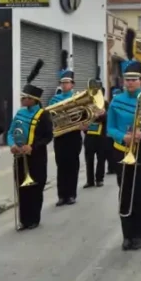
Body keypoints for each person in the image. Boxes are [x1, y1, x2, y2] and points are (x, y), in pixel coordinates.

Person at [106, 46, 141, 251]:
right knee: (124, 193)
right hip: (121, 152)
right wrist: (123, 136)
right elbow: (110, 128)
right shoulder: (116, 101)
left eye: (134, 79)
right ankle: (127, 235)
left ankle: (140, 234)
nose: (130, 83)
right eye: (127, 79)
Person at [7, 61, 53, 230]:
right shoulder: (19, 112)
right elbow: (10, 132)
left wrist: (33, 146)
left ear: (34, 100)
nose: (22, 99)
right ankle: (23, 220)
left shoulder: (43, 115)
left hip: (36, 158)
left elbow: (48, 136)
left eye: (25, 98)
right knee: (21, 189)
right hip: (19, 156)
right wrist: (12, 144)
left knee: (35, 189)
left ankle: (34, 219)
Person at [49, 61, 82, 206]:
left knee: (72, 165)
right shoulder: (54, 99)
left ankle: (71, 194)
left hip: (73, 135)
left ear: (72, 84)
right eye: (62, 83)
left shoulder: (78, 98)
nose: (64, 85)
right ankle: (62, 196)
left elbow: (84, 114)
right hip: (60, 136)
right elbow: (50, 116)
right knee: (61, 165)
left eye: (67, 82)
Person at [83, 81, 107, 189]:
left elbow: (108, 119)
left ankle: (99, 179)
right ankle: (90, 180)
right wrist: (83, 126)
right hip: (89, 135)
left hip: (102, 135)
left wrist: (101, 114)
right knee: (89, 159)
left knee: (101, 158)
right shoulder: (87, 104)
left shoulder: (106, 104)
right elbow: (82, 117)